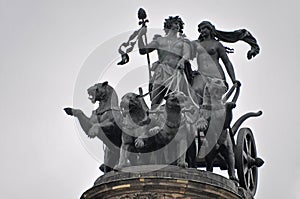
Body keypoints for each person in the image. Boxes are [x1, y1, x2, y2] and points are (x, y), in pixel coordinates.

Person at [191, 21, 259, 103]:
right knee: (195, 91)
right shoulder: (196, 44)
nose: (202, 31)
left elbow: (227, 62)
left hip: (215, 75)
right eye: (200, 29)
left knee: (212, 99)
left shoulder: (217, 44)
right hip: (201, 74)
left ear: (210, 29)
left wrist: (233, 79)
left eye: (204, 28)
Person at [138, 16, 193, 109]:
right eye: (175, 23)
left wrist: (182, 61)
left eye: (179, 24)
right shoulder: (159, 41)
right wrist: (140, 36)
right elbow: (143, 51)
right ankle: (154, 116)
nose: (177, 25)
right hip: (161, 72)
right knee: (155, 99)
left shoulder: (183, 41)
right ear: (169, 24)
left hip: (176, 72)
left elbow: (187, 54)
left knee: (177, 98)